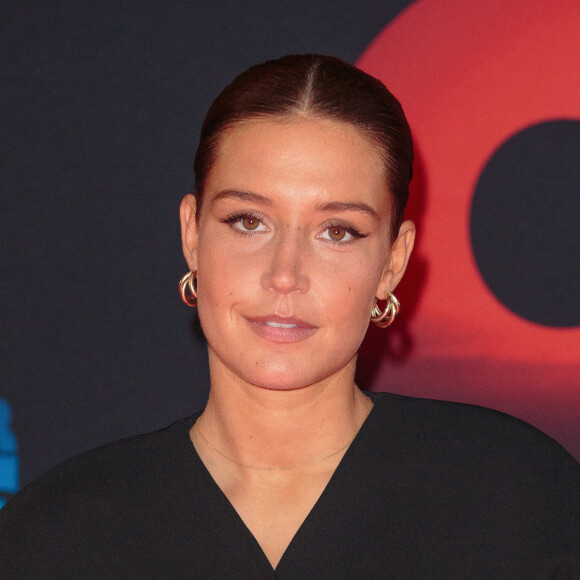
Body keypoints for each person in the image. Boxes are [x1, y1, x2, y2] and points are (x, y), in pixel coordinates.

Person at [0, 54, 578, 579]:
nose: (285, 274)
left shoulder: (517, 497)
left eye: (337, 231)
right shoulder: (55, 533)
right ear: (192, 235)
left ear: (392, 262)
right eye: (249, 221)